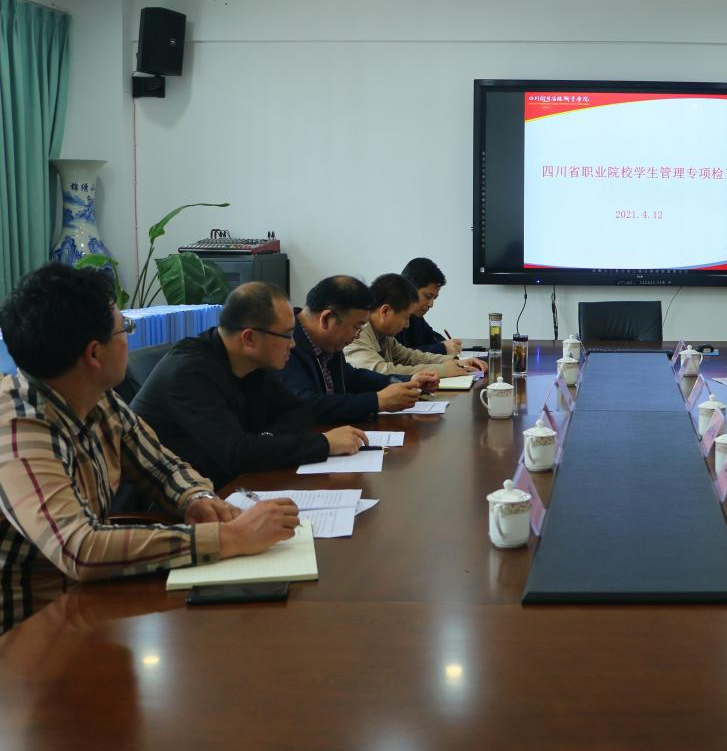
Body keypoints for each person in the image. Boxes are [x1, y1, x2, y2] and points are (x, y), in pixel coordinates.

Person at [0, 265, 298, 632]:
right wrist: (229, 538)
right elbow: (81, 549)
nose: (128, 337)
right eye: (124, 328)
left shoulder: (95, 398)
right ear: (94, 353)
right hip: (28, 635)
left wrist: (197, 498)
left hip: (88, 608)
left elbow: (162, 466)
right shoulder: (18, 429)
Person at [132, 282, 368, 488]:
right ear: (249, 338)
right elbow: (236, 454)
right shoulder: (190, 372)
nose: (293, 344)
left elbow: (299, 412)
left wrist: (264, 441)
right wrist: (324, 444)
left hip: (225, 484)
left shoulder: (251, 363)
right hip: (167, 504)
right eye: (286, 335)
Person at [278, 275, 438, 422]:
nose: (357, 336)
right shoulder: (285, 345)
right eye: (356, 327)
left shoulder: (328, 343)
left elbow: (352, 377)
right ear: (326, 319)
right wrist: (377, 401)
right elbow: (306, 404)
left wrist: (407, 381)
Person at [345, 273, 486, 378]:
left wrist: (457, 362)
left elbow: (409, 357)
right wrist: (442, 370)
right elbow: (380, 372)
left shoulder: (384, 334)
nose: (407, 325)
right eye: (406, 318)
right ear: (385, 311)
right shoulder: (356, 333)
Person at [396, 257, 463, 356]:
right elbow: (399, 356)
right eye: (428, 296)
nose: (431, 304)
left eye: (434, 298)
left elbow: (431, 337)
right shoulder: (391, 316)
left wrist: (448, 344)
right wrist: (442, 348)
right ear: (409, 289)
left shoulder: (416, 316)